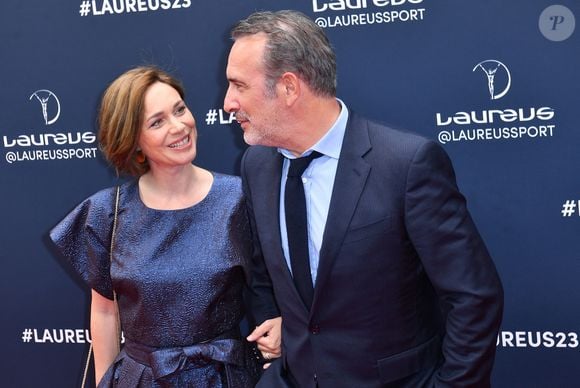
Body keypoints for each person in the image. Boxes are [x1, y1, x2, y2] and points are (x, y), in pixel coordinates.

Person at [224, 10, 504, 388]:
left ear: (289, 87)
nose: (228, 103)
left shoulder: (405, 165)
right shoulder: (256, 165)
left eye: (239, 85)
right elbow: (264, 276)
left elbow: (473, 297)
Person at [50, 66, 270, 387]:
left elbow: (273, 291)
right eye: (157, 122)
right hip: (143, 379)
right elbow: (105, 313)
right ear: (134, 142)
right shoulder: (106, 212)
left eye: (180, 110)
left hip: (225, 377)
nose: (179, 126)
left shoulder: (240, 198)